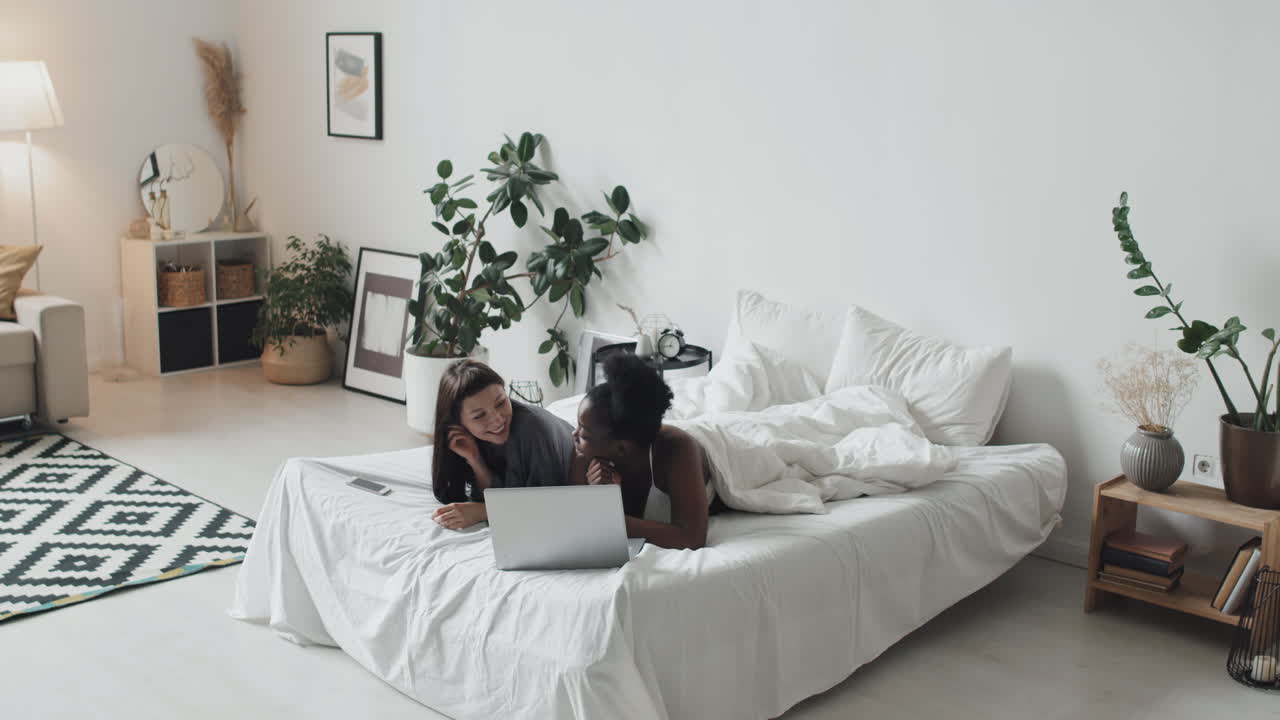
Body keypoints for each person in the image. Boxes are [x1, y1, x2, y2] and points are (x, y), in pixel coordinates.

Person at [571, 352, 714, 550]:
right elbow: (579, 524)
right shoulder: (583, 456)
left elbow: (691, 538)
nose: (573, 435)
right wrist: (601, 498)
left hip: (729, 450)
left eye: (584, 435)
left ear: (621, 448)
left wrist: (609, 518)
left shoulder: (677, 450)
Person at [431, 359, 574, 530]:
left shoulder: (535, 429)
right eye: (479, 416)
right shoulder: (466, 438)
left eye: (501, 402)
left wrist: (483, 512)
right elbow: (489, 494)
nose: (497, 419)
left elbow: (547, 505)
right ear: (458, 422)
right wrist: (475, 459)